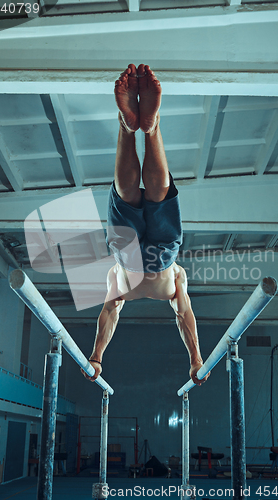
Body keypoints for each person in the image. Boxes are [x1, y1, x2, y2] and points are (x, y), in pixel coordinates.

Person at [82, 64, 209, 386]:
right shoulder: (176, 277)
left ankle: (145, 129)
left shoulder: (118, 281)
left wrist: (97, 357)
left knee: (157, 194)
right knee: (127, 197)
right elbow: (183, 315)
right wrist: (195, 360)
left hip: (155, 256)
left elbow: (110, 313)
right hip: (144, 260)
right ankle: (135, 129)